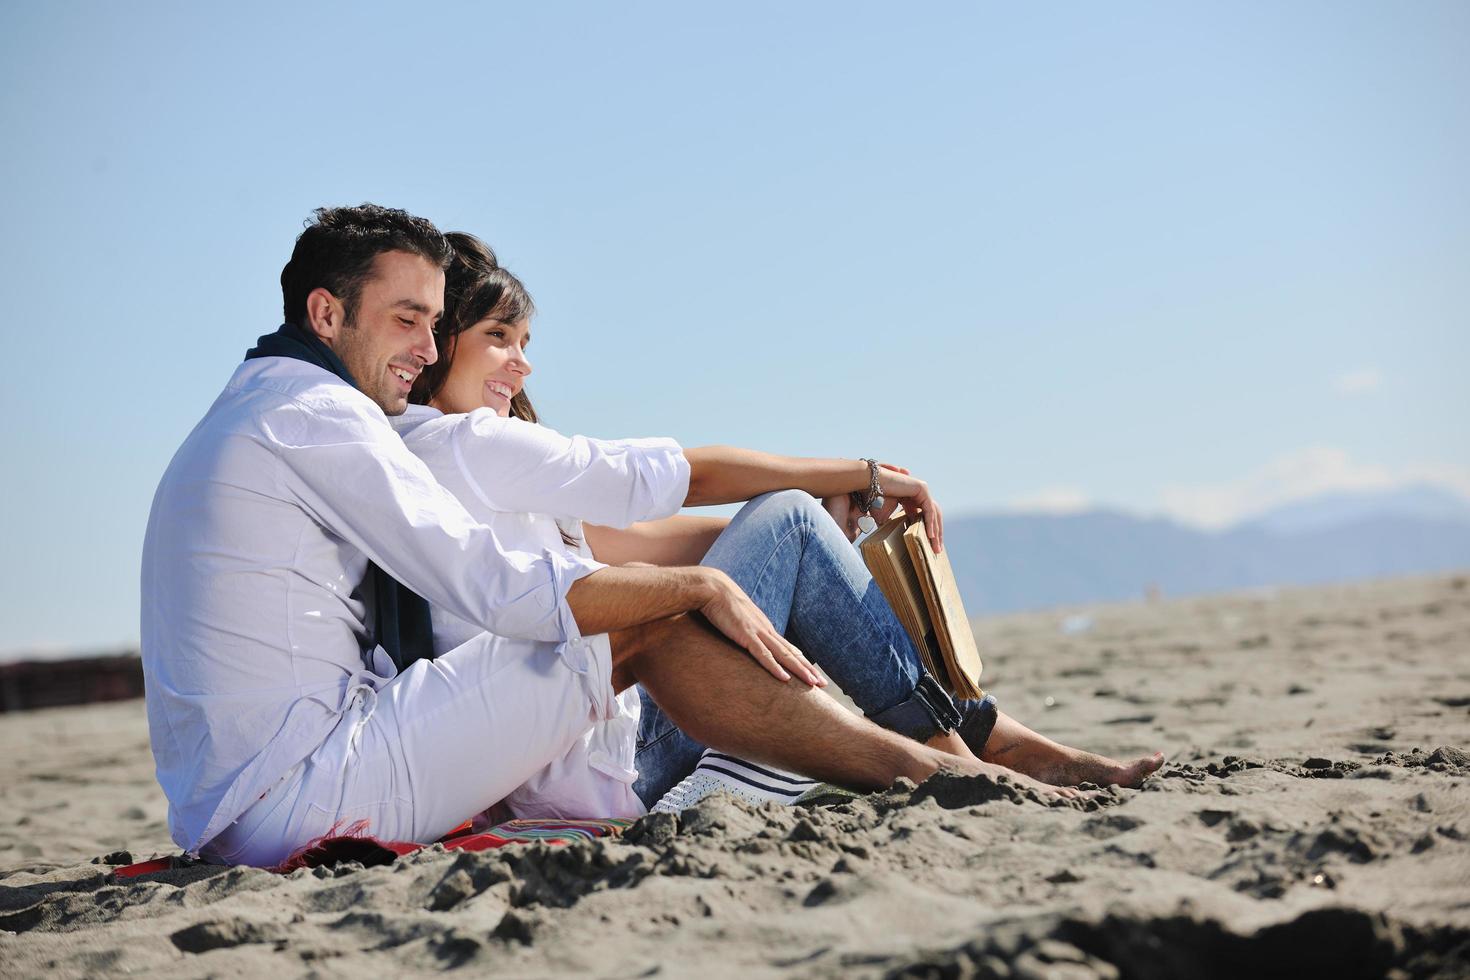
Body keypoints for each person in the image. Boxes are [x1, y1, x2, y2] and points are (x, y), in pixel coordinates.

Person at [140, 204, 1060, 869]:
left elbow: (636, 536)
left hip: (236, 805)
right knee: (631, 620)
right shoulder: (318, 419)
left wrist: (744, 550)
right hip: (305, 794)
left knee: (684, 583)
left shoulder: (268, 409)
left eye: (432, 321)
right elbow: (495, 585)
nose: (422, 348)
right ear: (325, 314)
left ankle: (956, 748)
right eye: (406, 321)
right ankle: (943, 765)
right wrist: (701, 587)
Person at [393, 231, 1165, 818]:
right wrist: (856, 478)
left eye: (525, 344)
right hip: (604, 763)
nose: (522, 365)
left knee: (793, 525)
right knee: (792, 519)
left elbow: (651, 546)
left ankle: (981, 739)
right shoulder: (461, 442)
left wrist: (813, 540)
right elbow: (687, 477)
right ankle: (972, 746)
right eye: (499, 338)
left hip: (586, 752)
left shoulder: (464, 467)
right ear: (435, 342)